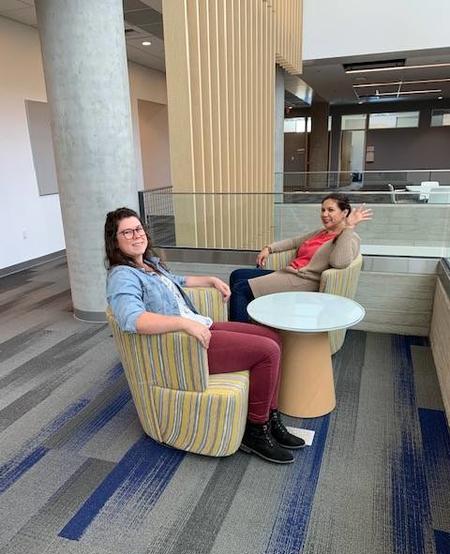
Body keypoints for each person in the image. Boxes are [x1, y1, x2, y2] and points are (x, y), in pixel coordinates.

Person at [105, 207, 305, 465]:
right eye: (127, 232)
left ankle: (271, 414)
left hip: (199, 326)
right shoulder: (122, 276)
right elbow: (132, 319)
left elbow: (176, 280)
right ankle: (256, 429)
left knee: (272, 337)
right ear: (115, 240)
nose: (136, 235)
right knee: (268, 351)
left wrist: (210, 279)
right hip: (183, 347)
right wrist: (183, 324)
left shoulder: (149, 264)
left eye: (139, 229)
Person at [229, 195, 372, 322]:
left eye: (330, 210)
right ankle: (250, 318)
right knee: (237, 275)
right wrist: (269, 248)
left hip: (303, 281)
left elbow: (339, 262)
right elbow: (294, 241)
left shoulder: (350, 238)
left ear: (344, 213)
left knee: (240, 289)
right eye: (322, 210)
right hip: (290, 273)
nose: (324, 214)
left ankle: (239, 335)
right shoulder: (322, 232)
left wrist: (349, 227)